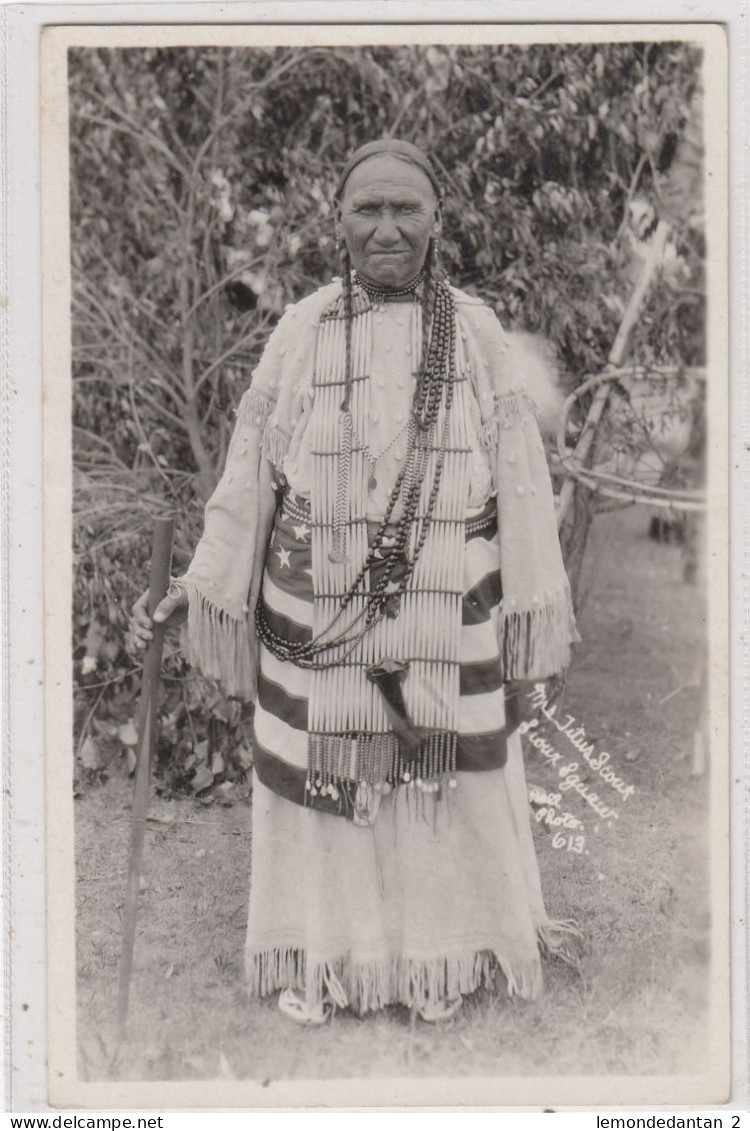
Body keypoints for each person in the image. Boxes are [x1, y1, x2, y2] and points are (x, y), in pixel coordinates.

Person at [132, 138, 580, 1026]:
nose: (385, 228)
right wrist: (202, 581)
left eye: (405, 209)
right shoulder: (302, 329)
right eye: (365, 208)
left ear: (437, 221)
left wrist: (535, 604)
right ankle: (332, 957)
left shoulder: (477, 331)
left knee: (437, 778)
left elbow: (523, 481)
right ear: (335, 221)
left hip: (449, 609)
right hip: (319, 610)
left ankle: (439, 961)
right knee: (327, 784)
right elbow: (250, 473)